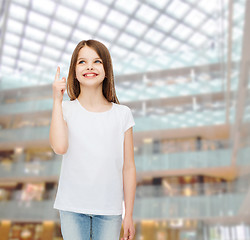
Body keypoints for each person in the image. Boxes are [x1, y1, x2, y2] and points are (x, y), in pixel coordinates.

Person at [49, 39, 136, 240]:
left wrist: (128, 214)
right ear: (74, 71)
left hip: (109, 210)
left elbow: (129, 167)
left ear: (106, 70)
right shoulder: (65, 109)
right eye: (82, 62)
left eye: (97, 61)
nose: (89, 66)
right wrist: (56, 100)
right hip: (71, 207)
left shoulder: (122, 114)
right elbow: (60, 147)